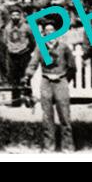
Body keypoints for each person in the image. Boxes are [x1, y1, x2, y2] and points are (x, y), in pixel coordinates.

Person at [24, 17, 77, 152]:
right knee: (47, 116)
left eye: (52, 30)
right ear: (44, 33)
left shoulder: (63, 47)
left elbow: (72, 66)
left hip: (61, 81)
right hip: (46, 81)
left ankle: (68, 147)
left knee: (64, 115)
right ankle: (49, 147)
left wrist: (64, 79)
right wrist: (27, 75)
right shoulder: (40, 47)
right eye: (46, 31)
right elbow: (33, 64)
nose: (49, 33)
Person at [3, 5, 35, 107]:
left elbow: (32, 41)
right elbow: (5, 41)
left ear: (20, 15)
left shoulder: (26, 27)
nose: (15, 17)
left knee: (26, 78)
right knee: (14, 79)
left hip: (24, 54)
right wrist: (11, 49)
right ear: (10, 16)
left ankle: (29, 101)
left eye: (17, 14)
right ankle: (16, 102)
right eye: (13, 15)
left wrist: (27, 50)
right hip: (13, 55)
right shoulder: (7, 28)